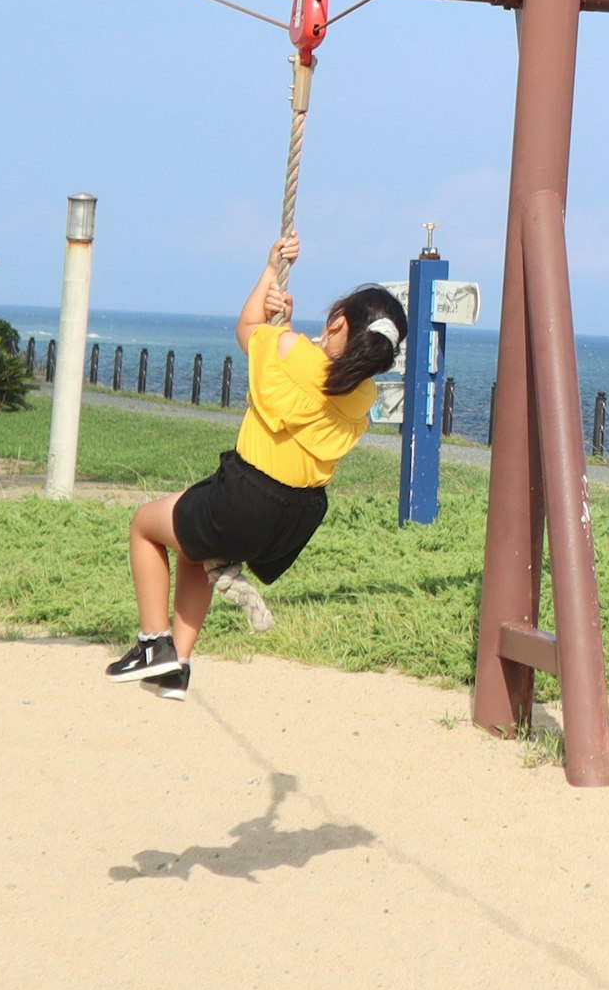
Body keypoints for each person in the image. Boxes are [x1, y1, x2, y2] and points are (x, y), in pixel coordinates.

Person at [106, 234, 405, 702]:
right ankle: (175, 666)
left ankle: (151, 644)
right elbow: (324, 373)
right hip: (294, 521)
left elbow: (247, 328)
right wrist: (286, 325)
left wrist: (270, 272)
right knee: (192, 549)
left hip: (246, 498)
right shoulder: (364, 398)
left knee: (144, 525)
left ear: (337, 321)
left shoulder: (287, 349)